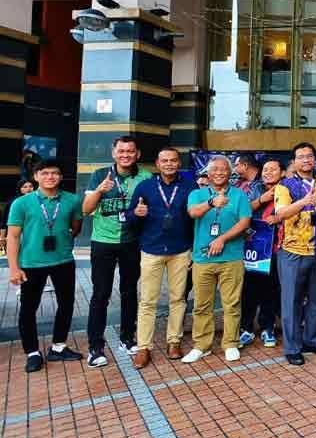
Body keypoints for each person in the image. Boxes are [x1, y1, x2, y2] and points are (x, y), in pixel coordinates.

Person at [82, 136, 152, 367]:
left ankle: (127, 338)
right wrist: (100, 191)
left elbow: (152, 211)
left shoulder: (145, 177)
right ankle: (95, 346)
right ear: (114, 153)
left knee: (130, 291)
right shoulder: (100, 174)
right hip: (103, 242)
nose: (125, 155)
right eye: (121, 151)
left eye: (130, 151)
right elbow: (86, 209)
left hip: (132, 242)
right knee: (100, 294)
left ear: (137, 154)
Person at [6, 159, 83, 372]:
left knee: (66, 304)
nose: (50, 177)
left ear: (61, 176)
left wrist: (67, 235)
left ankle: (58, 347)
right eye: (45, 173)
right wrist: (14, 268)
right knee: (29, 309)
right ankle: (32, 352)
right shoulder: (21, 203)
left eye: (55, 173)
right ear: (36, 176)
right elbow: (13, 237)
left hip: (63, 261)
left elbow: (76, 226)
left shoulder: (72, 200)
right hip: (31, 263)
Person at [126, 147, 197, 368]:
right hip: (151, 249)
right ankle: (143, 347)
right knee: (148, 301)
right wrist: (135, 214)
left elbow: (196, 220)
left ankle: (173, 341)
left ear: (179, 163)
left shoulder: (189, 187)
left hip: (181, 250)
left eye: (173, 160)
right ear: (157, 164)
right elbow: (129, 216)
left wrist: (195, 249)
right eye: (164, 160)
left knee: (178, 299)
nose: (169, 164)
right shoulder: (145, 186)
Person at [184, 156, 252, 364]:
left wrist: (222, 238)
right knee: (202, 305)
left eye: (224, 169)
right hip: (203, 258)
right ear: (208, 173)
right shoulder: (198, 194)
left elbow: (245, 221)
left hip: (231, 257)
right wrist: (212, 202)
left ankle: (230, 343)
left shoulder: (239, 195)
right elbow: (193, 213)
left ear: (230, 173)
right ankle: (201, 346)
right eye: (215, 169)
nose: (220, 173)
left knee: (231, 303)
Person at [273, 142, 316, 366]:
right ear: (295, 161)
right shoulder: (284, 186)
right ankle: (292, 347)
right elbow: (280, 214)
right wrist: (303, 202)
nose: (306, 160)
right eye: (301, 157)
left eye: (310, 156)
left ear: (314, 159)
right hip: (292, 251)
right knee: (292, 301)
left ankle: (312, 340)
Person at [239, 158, 283, 349]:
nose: (268, 173)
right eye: (265, 169)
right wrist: (261, 200)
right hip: (253, 247)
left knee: (270, 290)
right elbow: (241, 211)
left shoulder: (287, 189)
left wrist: (278, 217)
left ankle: (267, 327)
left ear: (281, 172)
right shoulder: (252, 188)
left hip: (276, 248)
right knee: (249, 289)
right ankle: (246, 328)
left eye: (273, 169)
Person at [1, 179, 37, 248]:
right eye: (25, 187)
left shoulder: (38, 202)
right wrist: (2, 237)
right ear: (19, 189)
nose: (28, 189)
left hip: (35, 234)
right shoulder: (13, 202)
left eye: (31, 186)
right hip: (17, 235)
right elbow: (4, 221)